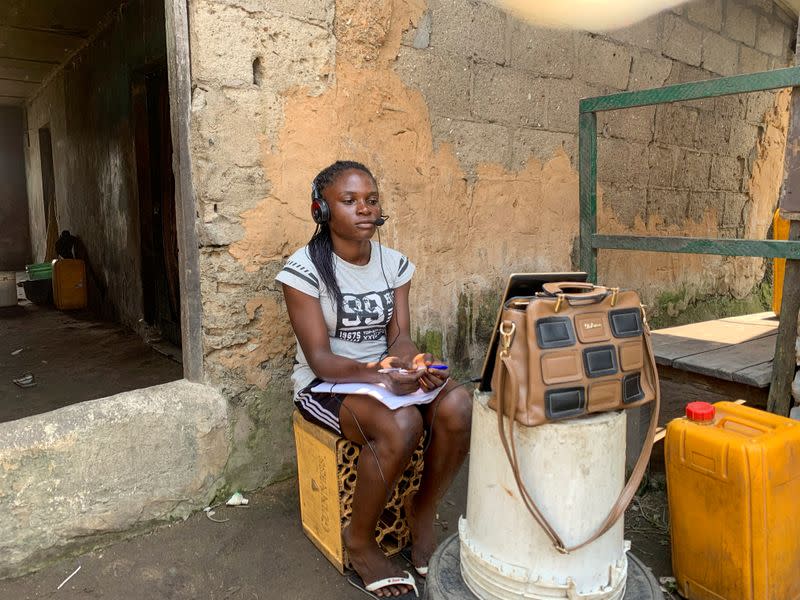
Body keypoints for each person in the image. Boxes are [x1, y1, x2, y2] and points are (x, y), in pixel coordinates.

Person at [276, 161, 472, 598]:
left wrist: (411, 363)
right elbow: (322, 360)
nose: (364, 208)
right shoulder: (302, 270)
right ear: (321, 211)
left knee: (458, 403)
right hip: (326, 385)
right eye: (349, 201)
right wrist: (378, 375)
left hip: (378, 379)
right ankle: (360, 542)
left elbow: (399, 337)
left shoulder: (393, 263)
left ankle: (422, 510)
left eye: (371, 199)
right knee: (403, 425)